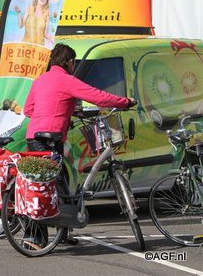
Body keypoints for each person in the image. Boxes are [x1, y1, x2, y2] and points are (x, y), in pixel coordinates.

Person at [21, 43, 135, 248]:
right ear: (70, 62)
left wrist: (62, 112)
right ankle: (35, 238)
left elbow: (28, 109)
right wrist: (125, 102)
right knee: (47, 186)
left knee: (56, 183)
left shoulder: (41, 80)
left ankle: (63, 231)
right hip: (49, 139)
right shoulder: (67, 80)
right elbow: (98, 96)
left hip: (34, 137)